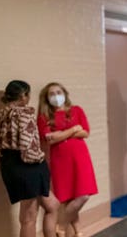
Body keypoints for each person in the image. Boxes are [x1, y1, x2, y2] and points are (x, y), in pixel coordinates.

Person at [0, 80, 59, 237]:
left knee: (52, 205)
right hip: (28, 166)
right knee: (28, 217)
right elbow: (28, 146)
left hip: (9, 165)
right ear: (24, 95)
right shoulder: (24, 113)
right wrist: (41, 159)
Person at [37, 82, 98, 237]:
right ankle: (78, 232)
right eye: (52, 94)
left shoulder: (76, 110)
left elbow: (85, 132)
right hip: (60, 160)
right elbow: (49, 139)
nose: (56, 96)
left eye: (58, 92)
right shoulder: (44, 116)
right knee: (67, 197)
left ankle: (61, 226)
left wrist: (59, 134)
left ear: (65, 93)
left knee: (83, 195)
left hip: (80, 158)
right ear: (46, 98)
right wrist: (72, 129)